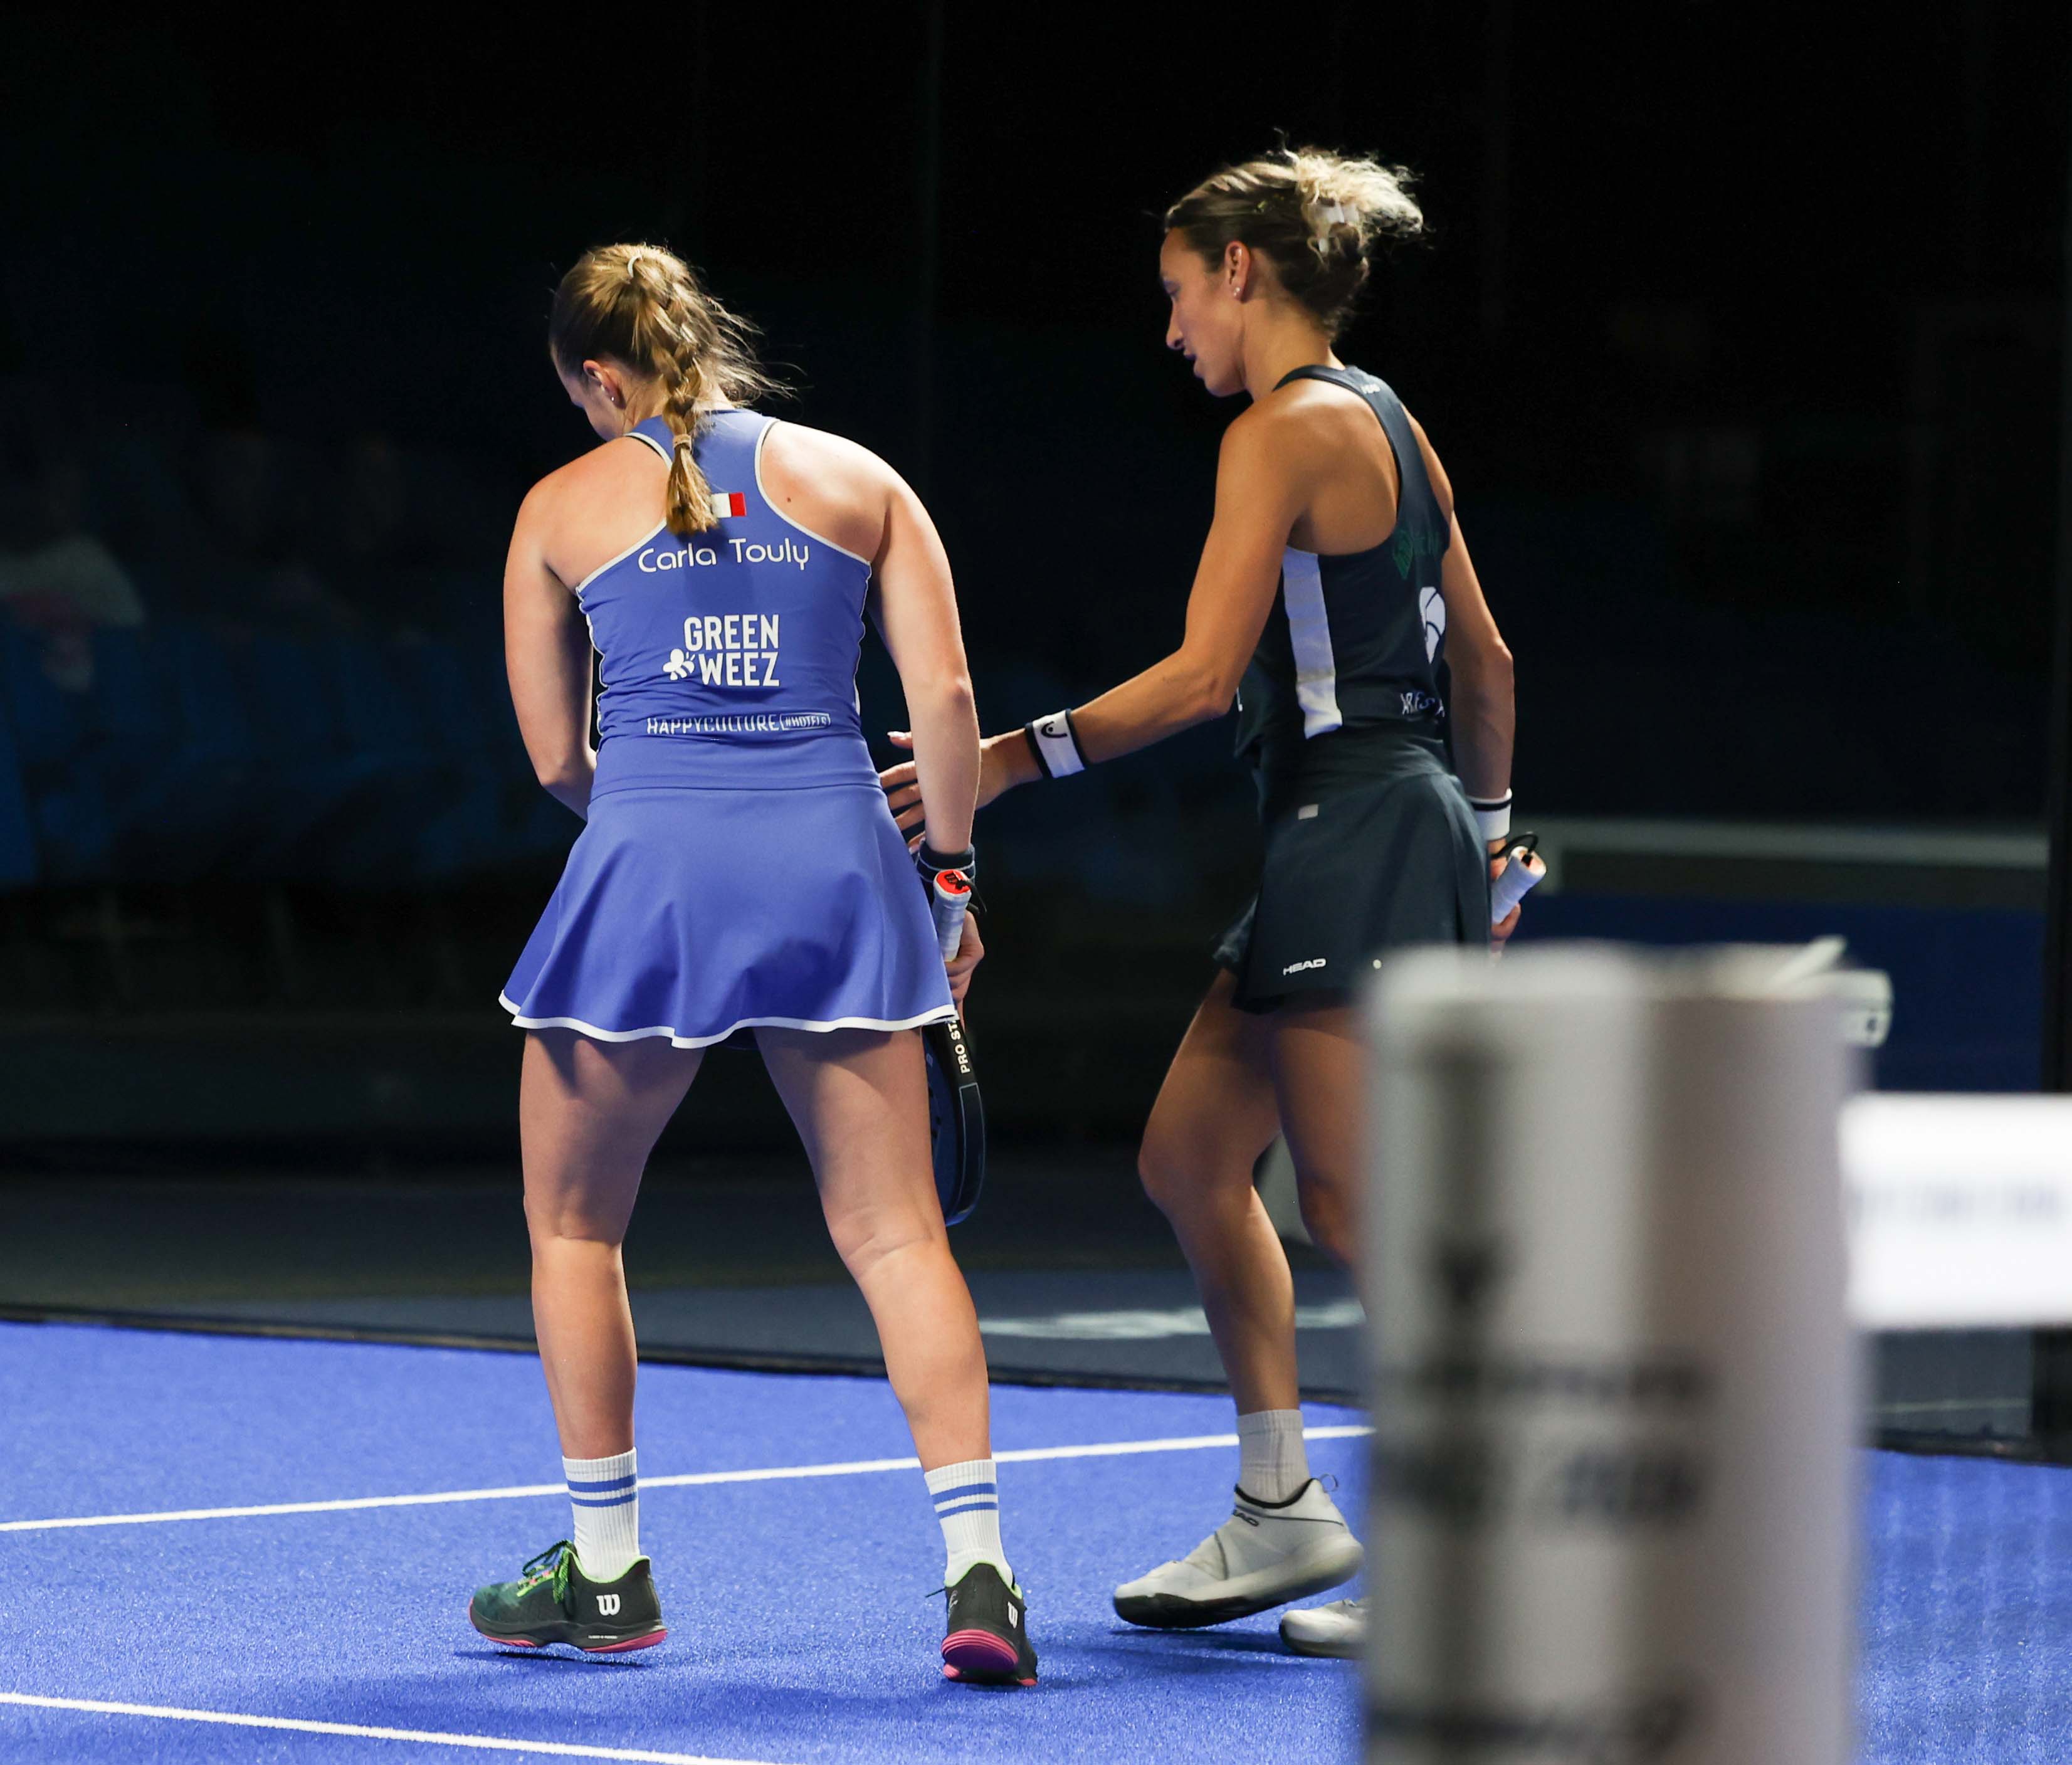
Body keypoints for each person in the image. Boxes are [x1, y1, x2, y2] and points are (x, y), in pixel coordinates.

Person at [881, 147, 1520, 1661]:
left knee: (1354, 1203)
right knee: (1186, 1158)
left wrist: (1004, 758)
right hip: (1382, 821)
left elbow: (1199, 676)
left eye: (1179, 294)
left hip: (1357, 827)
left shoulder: (1281, 430)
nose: (1171, 332)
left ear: (1241, 272)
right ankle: (1281, 1500)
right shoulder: (1390, 415)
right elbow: (1489, 666)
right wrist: (1489, 846)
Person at [473, 243, 1037, 1688]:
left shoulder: (555, 507)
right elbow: (949, 700)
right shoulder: (861, 478)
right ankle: (982, 1575)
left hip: (650, 866)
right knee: (898, 1237)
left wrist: (676, 825)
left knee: (574, 1228)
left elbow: (556, 760)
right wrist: (950, 882)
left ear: (598, 376)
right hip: (838, 865)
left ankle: (607, 1573)